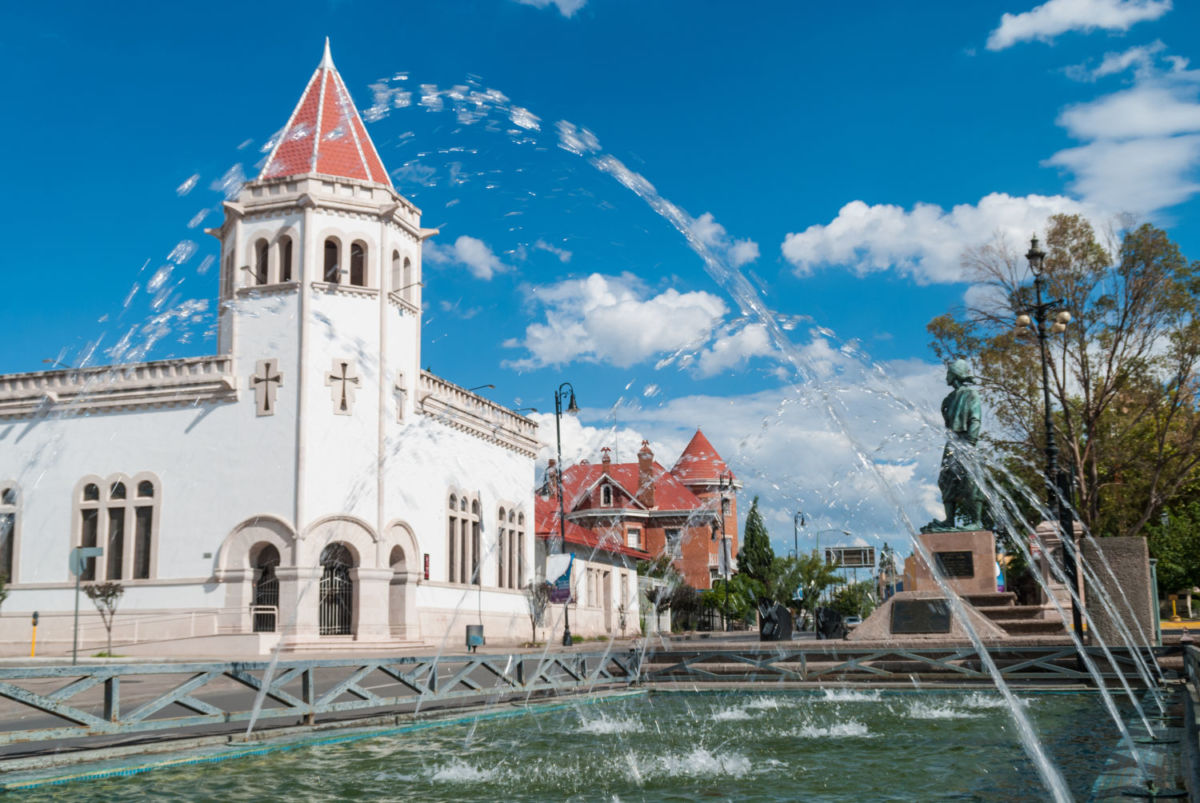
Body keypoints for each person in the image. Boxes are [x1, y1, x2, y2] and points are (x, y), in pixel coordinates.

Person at [921, 359, 985, 533]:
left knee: (971, 481)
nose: (946, 376)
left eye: (949, 372)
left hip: (966, 442)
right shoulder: (949, 398)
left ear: (956, 374)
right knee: (945, 480)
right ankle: (950, 521)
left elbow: (975, 419)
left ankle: (976, 521)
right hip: (952, 444)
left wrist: (970, 443)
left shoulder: (971, 394)